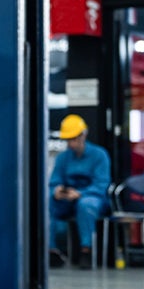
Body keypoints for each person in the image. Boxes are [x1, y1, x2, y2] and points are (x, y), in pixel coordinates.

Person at [50, 114, 112, 267]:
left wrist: (80, 194)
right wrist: (57, 191)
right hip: (67, 200)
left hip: (92, 197)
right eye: (68, 140)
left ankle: (86, 251)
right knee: (46, 200)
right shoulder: (63, 158)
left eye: (74, 139)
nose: (71, 143)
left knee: (86, 205)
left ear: (84, 134)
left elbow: (101, 184)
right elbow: (55, 180)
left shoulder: (99, 155)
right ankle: (51, 250)